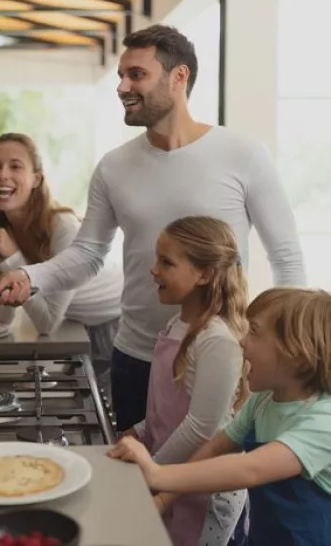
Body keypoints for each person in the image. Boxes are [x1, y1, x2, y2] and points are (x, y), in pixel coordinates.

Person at [0, 24, 306, 433]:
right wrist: (29, 276)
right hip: (137, 356)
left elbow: (286, 257)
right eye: (121, 75)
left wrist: (284, 344)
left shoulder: (243, 155)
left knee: (214, 490)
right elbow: (88, 254)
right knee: (138, 486)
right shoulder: (113, 166)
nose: (122, 86)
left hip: (221, 359)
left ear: (179, 78)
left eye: (136, 74)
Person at [108, 287, 331, 546]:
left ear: (298, 356)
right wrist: (164, 498)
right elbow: (216, 446)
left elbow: (251, 469)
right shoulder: (263, 400)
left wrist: (157, 474)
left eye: (255, 332)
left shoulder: (322, 422)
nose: (243, 341)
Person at [0, 132, 122, 398]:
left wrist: (12, 256)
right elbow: (1, 317)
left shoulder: (63, 227)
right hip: (74, 324)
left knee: (105, 423)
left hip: (111, 327)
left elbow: (47, 322)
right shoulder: (4, 229)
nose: (1, 174)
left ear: (36, 179)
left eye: (15, 166)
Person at [121, 215, 248, 546]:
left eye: (166, 262)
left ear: (204, 274)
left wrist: (152, 470)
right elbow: (167, 405)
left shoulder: (216, 339)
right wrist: (140, 430)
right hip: (172, 475)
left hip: (205, 489)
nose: (153, 269)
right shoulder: (177, 325)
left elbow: (202, 427)